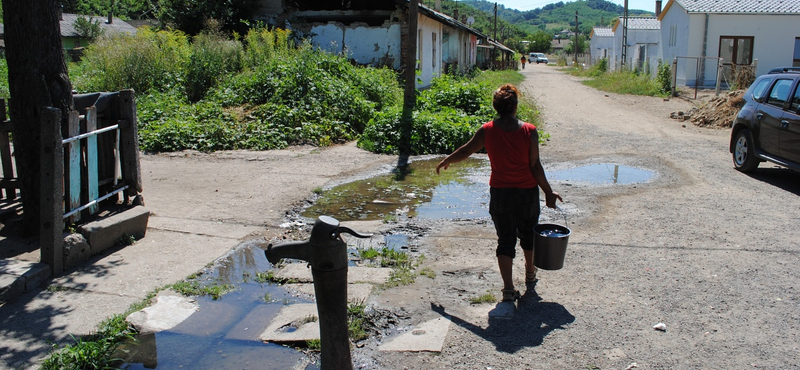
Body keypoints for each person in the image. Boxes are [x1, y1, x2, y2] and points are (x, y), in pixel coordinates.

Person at [436, 83, 562, 302]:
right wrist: (548, 192)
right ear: (515, 106)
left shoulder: (487, 131)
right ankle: (530, 274)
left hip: (501, 193)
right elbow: (535, 166)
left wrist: (447, 159)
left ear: (495, 107)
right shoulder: (529, 131)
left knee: (505, 240)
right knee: (528, 236)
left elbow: (466, 150)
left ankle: (508, 289)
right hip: (526, 193)